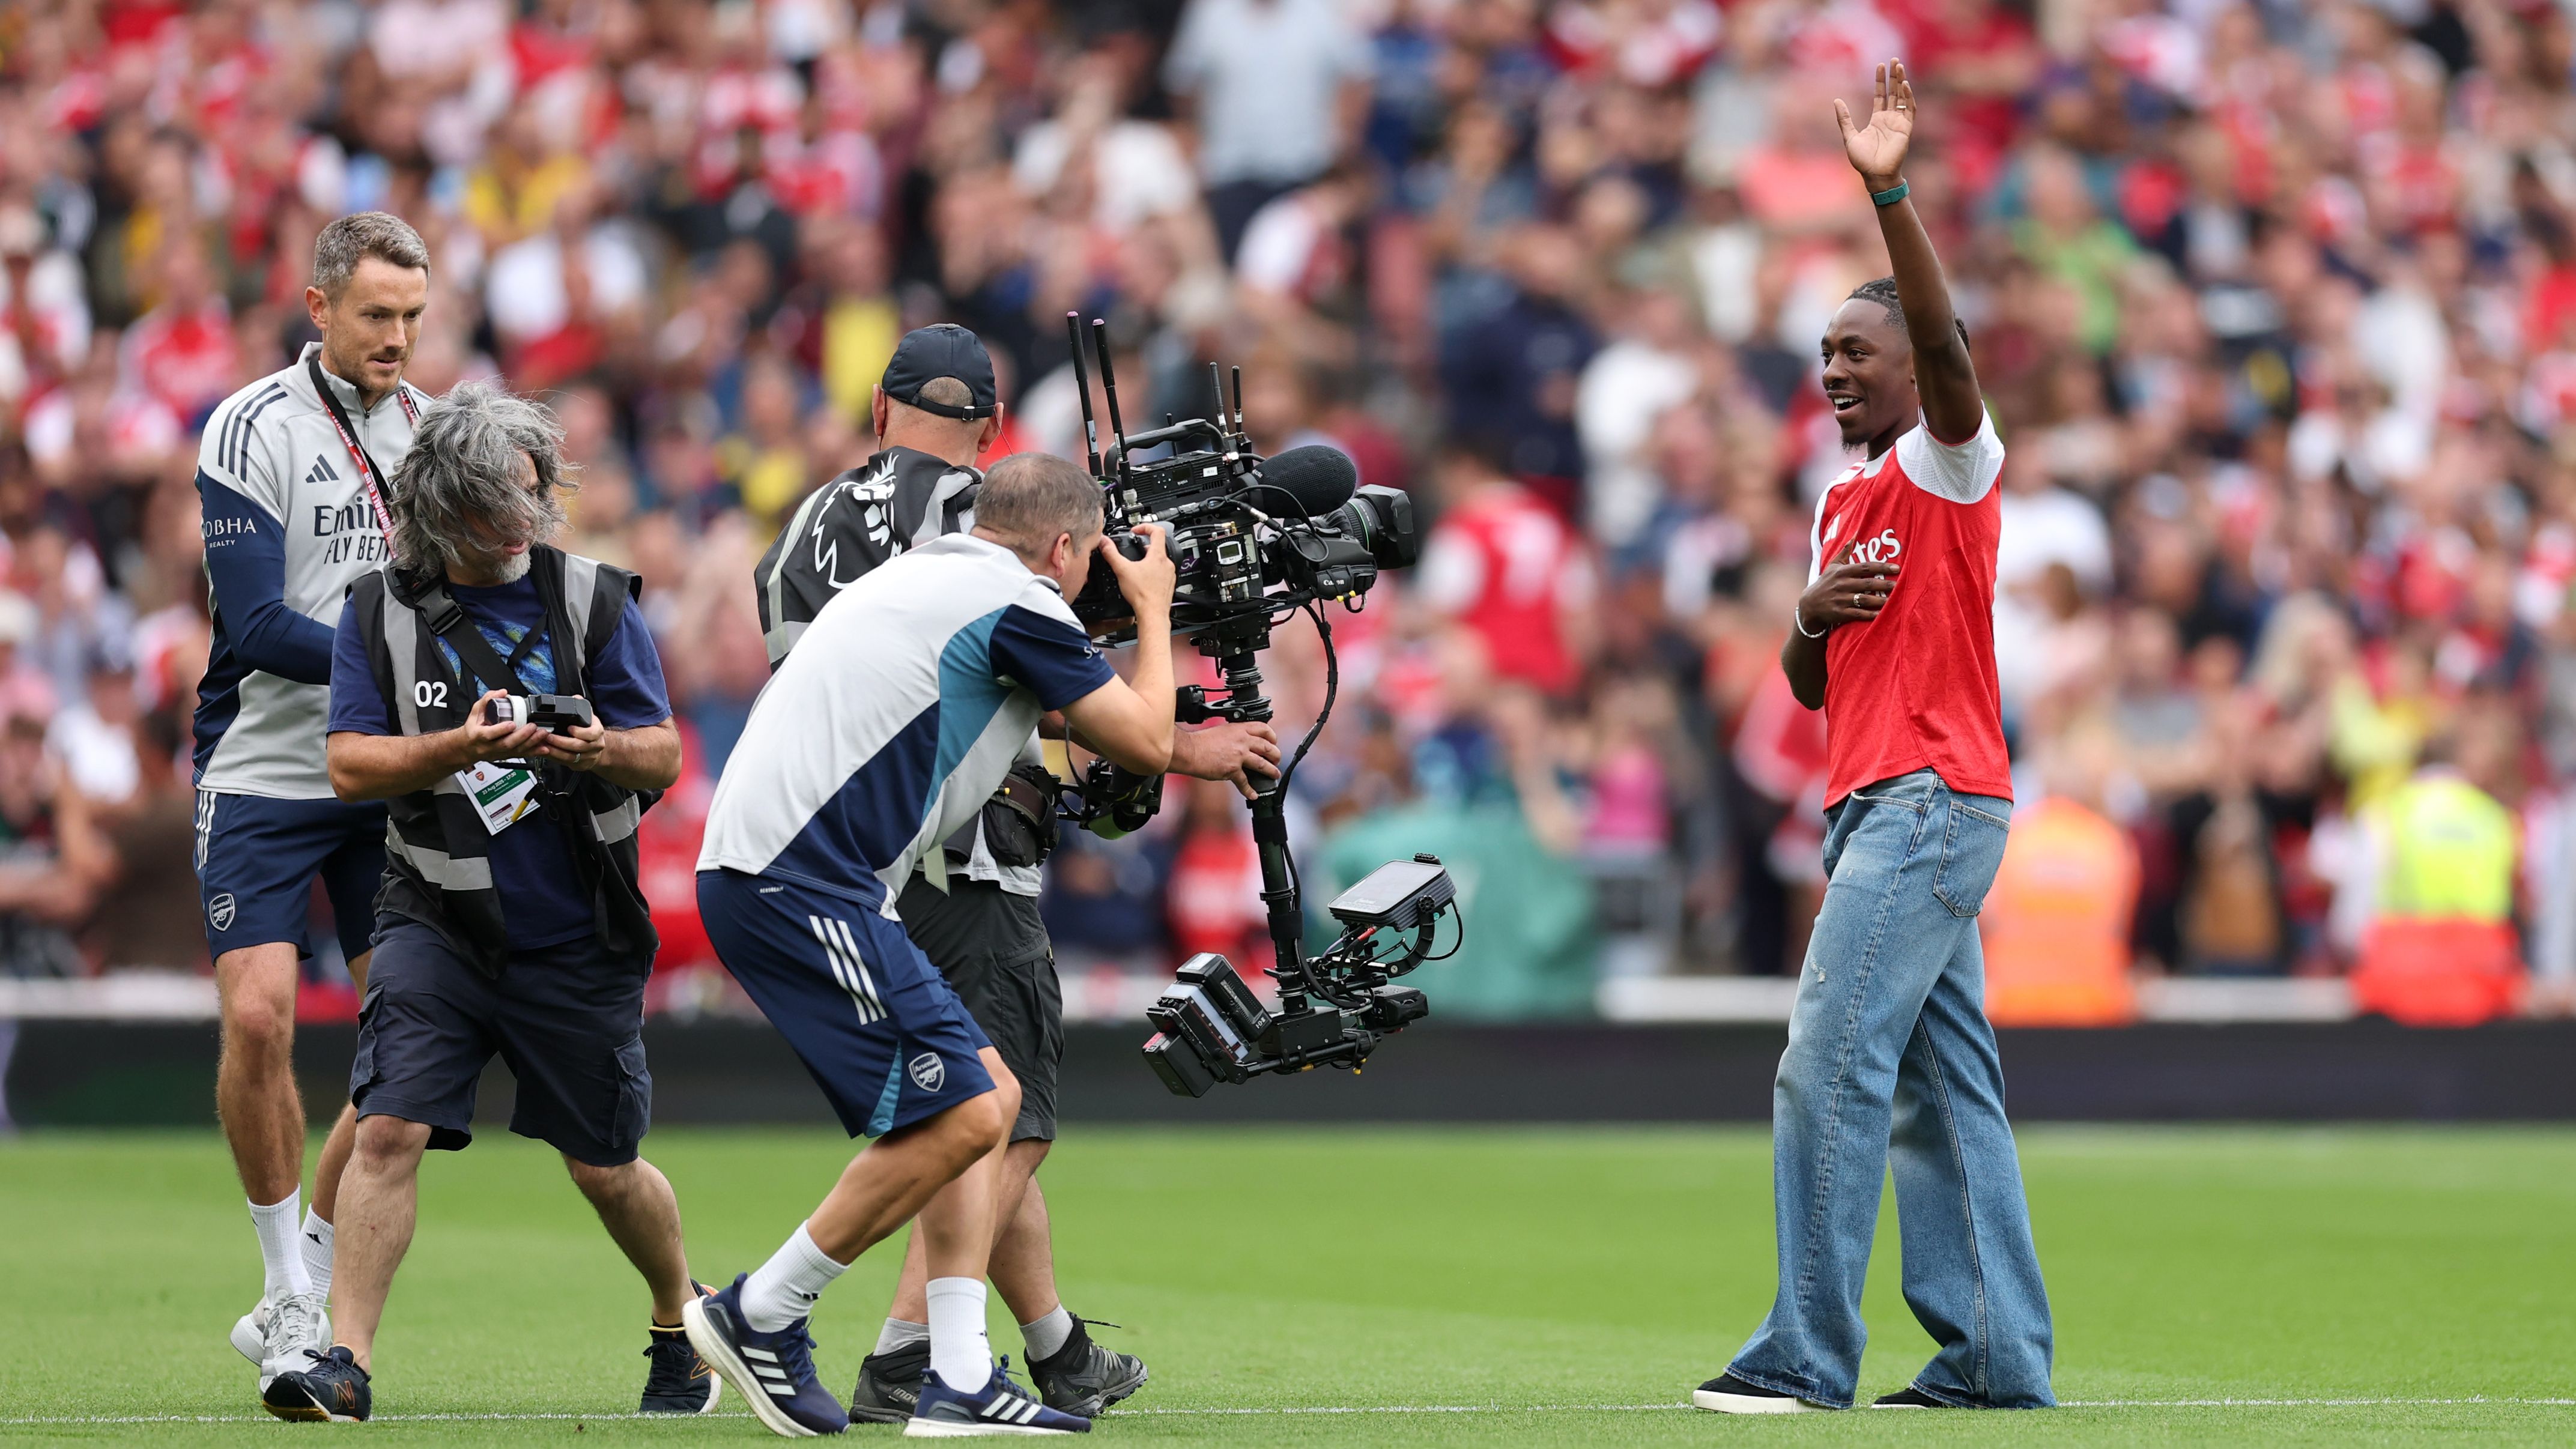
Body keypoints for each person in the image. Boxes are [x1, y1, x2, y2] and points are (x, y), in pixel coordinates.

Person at [754, 325, 1279, 1423]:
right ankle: (888, 1347)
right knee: (999, 1113)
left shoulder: (807, 520)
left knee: (985, 1104)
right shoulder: (987, 523)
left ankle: (1049, 1346)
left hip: (835, 827)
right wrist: (1178, 735)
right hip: (960, 843)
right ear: (993, 432)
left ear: (877, 408)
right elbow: (1009, 671)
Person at [1694, 62, 2054, 1414]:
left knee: (1828, 1061)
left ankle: (1805, 1353)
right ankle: (1995, 1359)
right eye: (1827, 355)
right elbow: (1808, 682)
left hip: (1928, 798)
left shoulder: (1949, 459)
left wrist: (1889, 194)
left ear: (1915, 365)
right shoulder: (1841, 499)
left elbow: (1951, 349)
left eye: (1858, 351)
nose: (1835, 369)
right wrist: (1805, 613)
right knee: (1942, 1094)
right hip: (1876, 802)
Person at [689, 453, 1180, 1438]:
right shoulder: (1018, 601)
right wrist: (1155, 608)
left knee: (984, 1102)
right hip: (799, 875)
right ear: (1063, 545)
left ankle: (956, 1376)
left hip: (790, 869)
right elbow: (1147, 741)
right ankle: (761, 1309)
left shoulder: (926, 571)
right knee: (963, 1112)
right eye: (1090, 555)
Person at [262, 383, 711, 1422]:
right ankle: (344, 1361)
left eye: (535, 494)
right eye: (503, 503)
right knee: (387, 1128)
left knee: (606, 1169)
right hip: (436, 918)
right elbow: (348, 764)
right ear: (444, 508)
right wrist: (456, 746)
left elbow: (663, 753)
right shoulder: (375, 610)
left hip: (578, 929)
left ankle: (679, 1322)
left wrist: (597, 746)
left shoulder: (595, 599)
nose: (528, 519)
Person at [190, 212, 432, 1392]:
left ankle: (309, 1279)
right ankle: (289, 1287)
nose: (398, 337)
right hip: (264, 767)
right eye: (377, 314)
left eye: (413, 317)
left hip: (387, 772)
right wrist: (397, 661)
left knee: (409, 1044)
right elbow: (253, 624)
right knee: (259, 1019)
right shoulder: (249, 425)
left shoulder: (436, 431)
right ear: (320, 307)